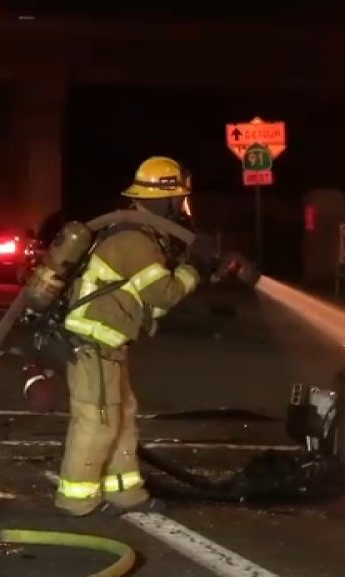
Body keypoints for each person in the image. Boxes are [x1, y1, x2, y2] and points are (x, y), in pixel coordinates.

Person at [54, 156, 221, 516]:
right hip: (92, 343)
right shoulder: (134, 239)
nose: (183, 207)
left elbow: (146, 304)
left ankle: (125, 492)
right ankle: (76, 501)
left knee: (122, 417)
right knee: (97, 421)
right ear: (167, 199)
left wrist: (197, 268)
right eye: (180, 199)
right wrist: (195, 268)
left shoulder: (141, 234)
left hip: (109, 343)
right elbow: (164, 294)